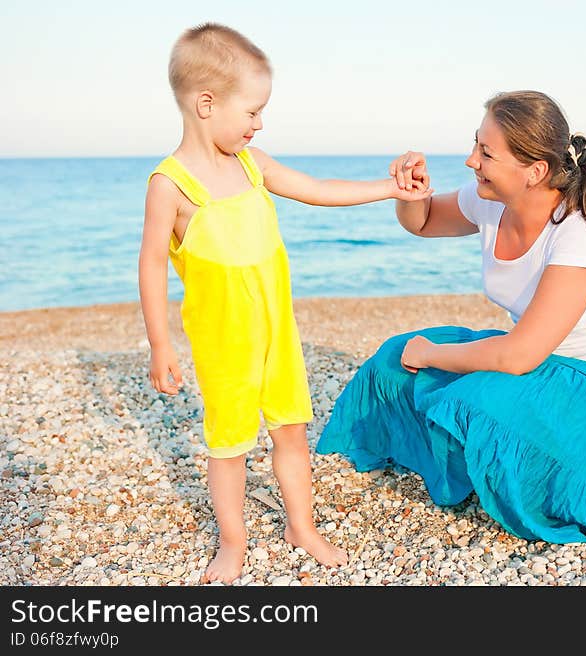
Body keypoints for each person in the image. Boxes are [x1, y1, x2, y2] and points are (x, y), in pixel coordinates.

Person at [317, 90, 586, 549]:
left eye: (486, 153)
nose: (471, 161)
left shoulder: (580, 234)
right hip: (533, 367)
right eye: (475, 145)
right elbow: (423, 222)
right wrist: (411, 194)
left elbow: (518, 354)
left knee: (469, 388)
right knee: (395, 357)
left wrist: (433, 353)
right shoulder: (491, 200)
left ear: (535, 171)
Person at [138, 22, 431, 584]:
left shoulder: (254, 164)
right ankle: (232, 542)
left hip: (278, 333)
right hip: (225, 343)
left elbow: (318, 189)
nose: (259, 123)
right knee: (228, 445)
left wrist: (388, 188)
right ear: (206, 104)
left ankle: (302, 525)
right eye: (251, 111)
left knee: (291, 429)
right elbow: (152, 265)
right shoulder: (170, 185)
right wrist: (159, 344)